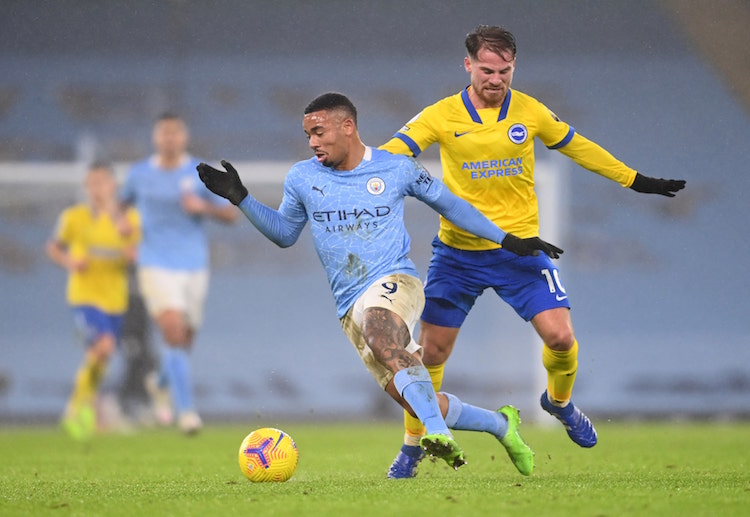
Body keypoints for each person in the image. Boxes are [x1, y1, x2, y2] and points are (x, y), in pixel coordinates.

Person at [197, 92, 563, 476]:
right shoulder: (303, 177)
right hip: (348, 305)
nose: (313, 142)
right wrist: (241, 198)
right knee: (416, 400)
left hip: (395, 281)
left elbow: (451, 205)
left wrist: (506, 239)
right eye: (308, 135)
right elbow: (285, 234)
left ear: (347, 126)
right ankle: (501, 425)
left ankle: (438, 435)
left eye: (319, 132)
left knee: (379, 330)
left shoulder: (396, 168)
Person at [380, 24, 687, 477]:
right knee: (432, 355)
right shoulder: (440, 116)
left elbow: (578, 147)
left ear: (513, 67)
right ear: (468, 65)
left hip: (520, 252)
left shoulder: (530, 111)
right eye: (487, 70)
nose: (496, 79)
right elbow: (389, 156)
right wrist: (350, 177)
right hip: (457, 255)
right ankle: (412, 447)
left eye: (504, 71)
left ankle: (558, 402)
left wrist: (634, 180)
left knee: (561, 338)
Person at [120, 112, 239, 434]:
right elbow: (120, 208)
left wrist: (204, 208)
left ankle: (159, 382)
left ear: (184, 137)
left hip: (194, 266)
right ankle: (186, 413)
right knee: (172, 331)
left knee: (184, 341)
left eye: (175, 133)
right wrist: (124, 229)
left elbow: (231, 215)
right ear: (155, 137)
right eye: (164, 133)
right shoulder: (139, 174)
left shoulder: (200, 173)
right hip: (154, 263)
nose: (169, 138)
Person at [46, 162, 141, 440]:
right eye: (91, 183)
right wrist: (70, 261)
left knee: (102, 355)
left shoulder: (129, 219)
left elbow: (134, 254)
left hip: (115, 300)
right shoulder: (74, 217)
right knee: (104, 345)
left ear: (114, 186)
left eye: (102, 182)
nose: (96, 188)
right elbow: (54, 247)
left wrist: (126, 238)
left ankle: (85, 405)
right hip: (85, 296)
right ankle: (75, 409)